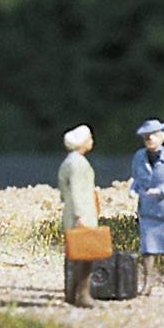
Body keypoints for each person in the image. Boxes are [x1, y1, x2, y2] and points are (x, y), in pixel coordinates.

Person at [129, 119, 164, 298]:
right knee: (148, 249)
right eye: (146, 137)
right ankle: (147, 284)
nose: (149, 139)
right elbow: (136, 178)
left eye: (153, 135)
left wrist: (162, 190)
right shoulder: (139, 156)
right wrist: (133, 189)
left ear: (162, 136)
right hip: (147, 209)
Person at [56, 124, 99, 308]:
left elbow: (63, 192)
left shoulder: (69, 162)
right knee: (85, 256)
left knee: (75, 256)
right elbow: (75, 191)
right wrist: (80, 215)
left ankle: (72, 293)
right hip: (80, 214)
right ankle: (82, 294)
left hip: (72, 212)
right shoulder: (78, 164)